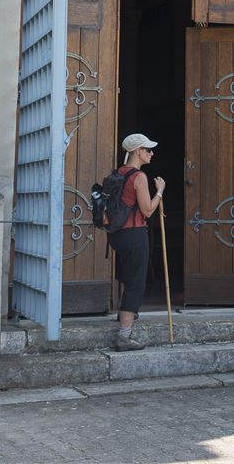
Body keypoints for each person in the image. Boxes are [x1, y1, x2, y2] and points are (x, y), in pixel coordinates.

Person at [107, 132, 165, 351]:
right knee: (136, 282)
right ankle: (124, 335)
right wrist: (159, 191)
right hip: (134, 233)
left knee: (127, 275)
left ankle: (126, 316)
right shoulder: (138, 177)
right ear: (138, 151)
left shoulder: (117, 173)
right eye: (148, 150)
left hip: (116, 234)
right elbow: (148, 210)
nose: (151, 153)